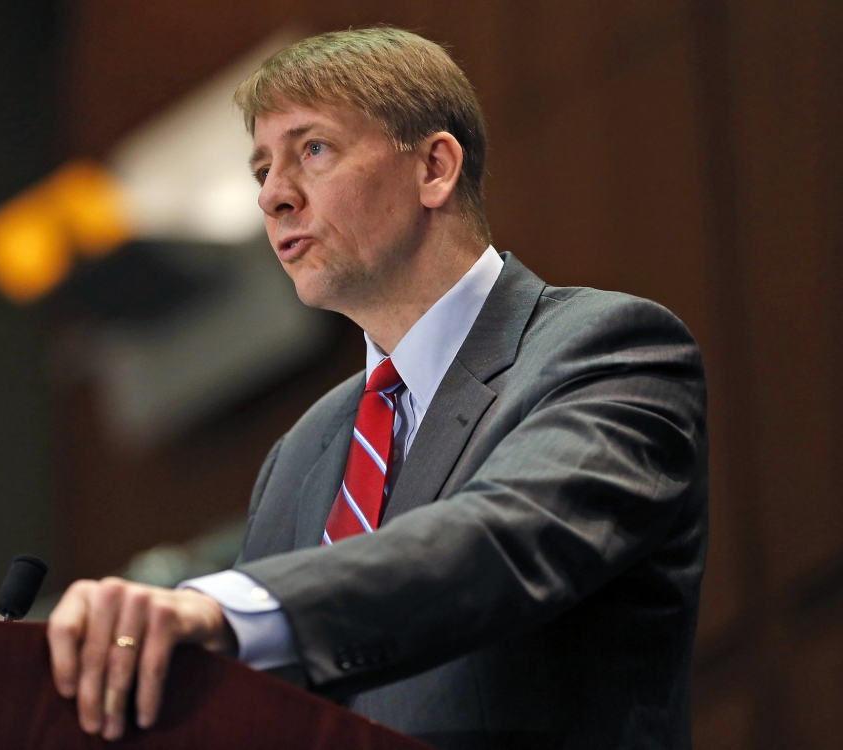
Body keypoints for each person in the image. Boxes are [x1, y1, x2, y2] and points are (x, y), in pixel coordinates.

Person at [47, 27, 707, 749]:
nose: (273, 196)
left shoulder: (607, 348)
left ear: (434, 167)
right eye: (261, 168)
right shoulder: (303, 453)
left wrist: (224, 609)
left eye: (313, 150)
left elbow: (499, 541)